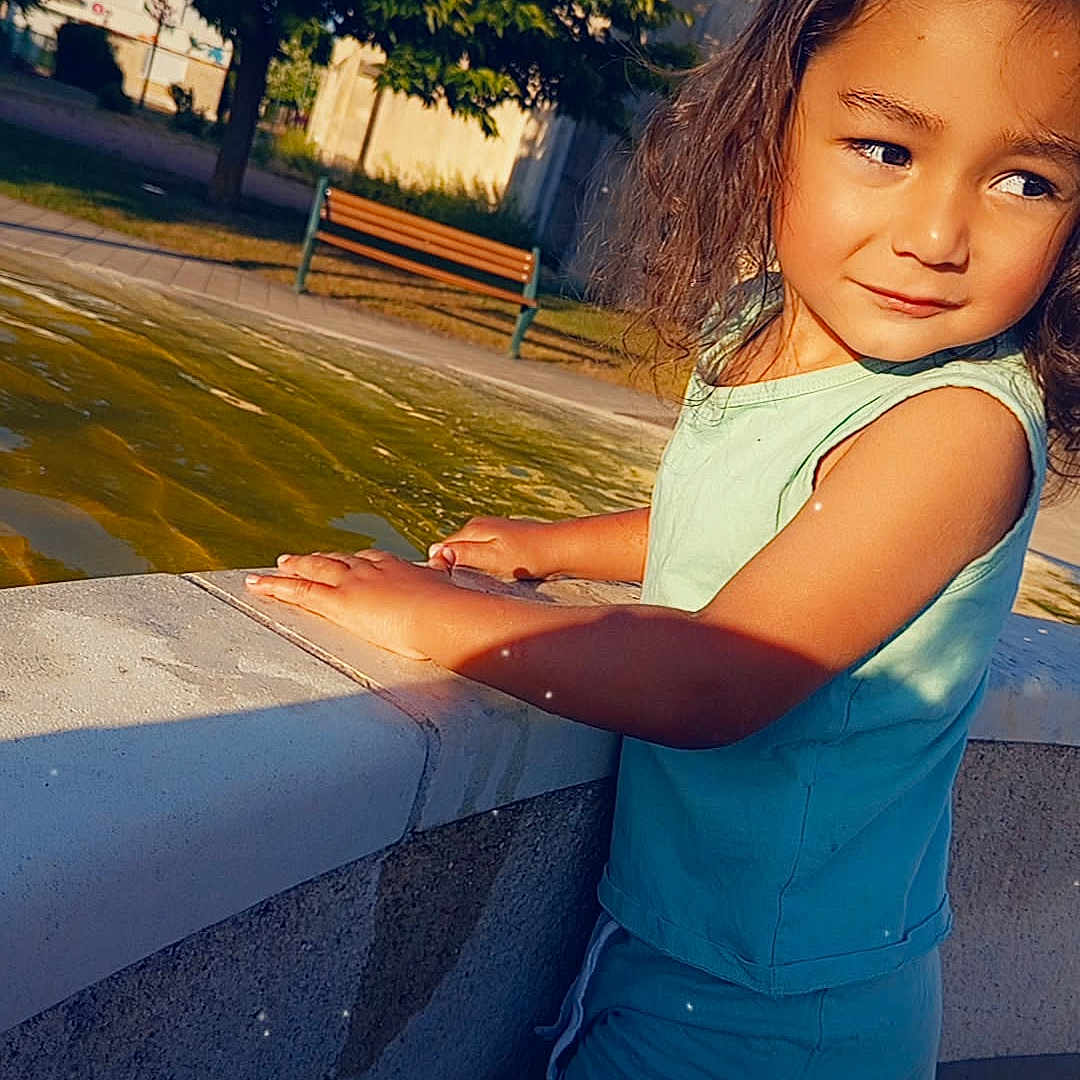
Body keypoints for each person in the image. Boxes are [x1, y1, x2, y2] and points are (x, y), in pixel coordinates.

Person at [245, 0, 1080, 1074]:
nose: (936, 237)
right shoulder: (759, 325)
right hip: (680, 942)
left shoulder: (955, 427)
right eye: (885, 149)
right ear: (771, 123)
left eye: (1027, 181)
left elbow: (713, 682)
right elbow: (744, 525)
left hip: (785, 1014)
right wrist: (556, 547)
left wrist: (430, 616)